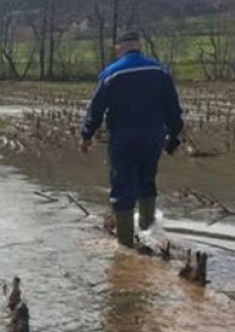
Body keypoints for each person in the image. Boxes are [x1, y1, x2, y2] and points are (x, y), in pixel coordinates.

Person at [79, 31, 184, 248]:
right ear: (138, 45)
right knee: (147, 182)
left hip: (123, 138)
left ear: (120, 47)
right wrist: (174, 135)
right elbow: (173, 108)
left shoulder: (112, 73)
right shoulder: (160, 71)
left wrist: (86, 135)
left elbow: (96, 108)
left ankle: (125, 247)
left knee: (122, 188)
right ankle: (149, 233)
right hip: (153, 138)